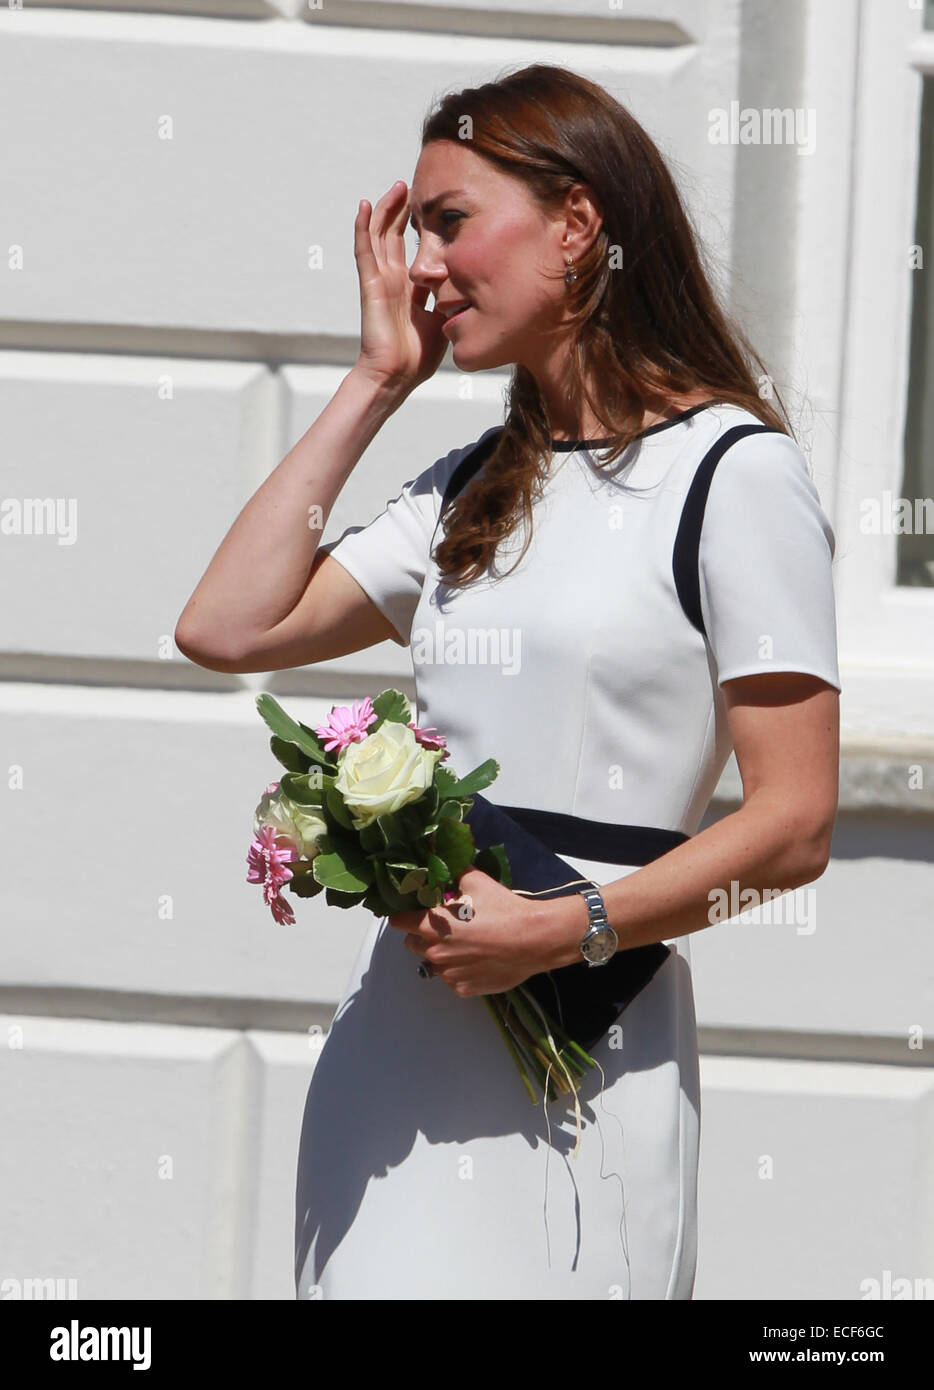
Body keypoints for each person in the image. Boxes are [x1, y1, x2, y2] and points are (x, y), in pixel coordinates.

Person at [175, 63, 841, 1300]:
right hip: (400, 1054)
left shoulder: (732, 475)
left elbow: (793, 822)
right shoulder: (470, 480)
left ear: (578, 225)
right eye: (414, 228)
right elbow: (226, 624)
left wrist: (563, 927)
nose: (418, 265)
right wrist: (377, 383)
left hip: (588, 1046)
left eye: (449, 221)